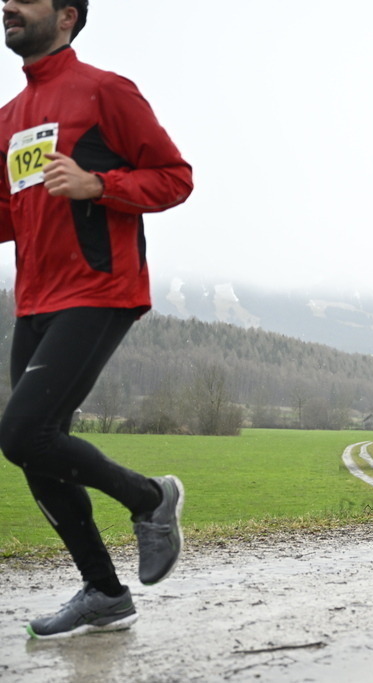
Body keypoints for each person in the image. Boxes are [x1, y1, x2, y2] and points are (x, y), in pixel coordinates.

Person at [0, 0, 192, 639]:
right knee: (37, 454)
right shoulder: (9, 119)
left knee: (22, 432)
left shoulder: (106, 92)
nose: (7, 6)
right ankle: (105, 593)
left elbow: (174, 178)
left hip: (98, 288)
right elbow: (11, 214)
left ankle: (150, 499)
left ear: (66, 16)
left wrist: (98, 186)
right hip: (34, 300)